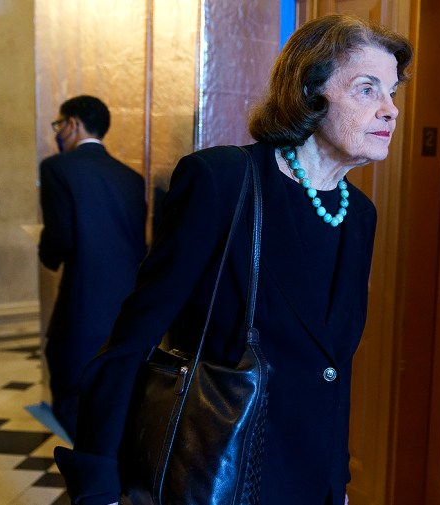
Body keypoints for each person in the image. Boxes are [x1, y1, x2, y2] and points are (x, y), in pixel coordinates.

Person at [54, 15, 412, 505]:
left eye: (392, 93)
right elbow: (132, 339)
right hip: (216, 470)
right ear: (309, 91)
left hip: (308, 478)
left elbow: (332, 370)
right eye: (368, 89)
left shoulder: (358, 216)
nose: (390, 110)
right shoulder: (222, 181)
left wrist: (337, 484)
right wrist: (98, 485)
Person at [39, 95, 147, 440]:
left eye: (59, 125)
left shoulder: (57, 168)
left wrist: (47, 254)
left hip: (80, 309)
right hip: (127, 312)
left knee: (71, 400)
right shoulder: (131, 177)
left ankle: (90, 486)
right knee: (116, 405)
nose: (58, 134)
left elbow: (61, 238)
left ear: (72, 124)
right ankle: (111, 484)